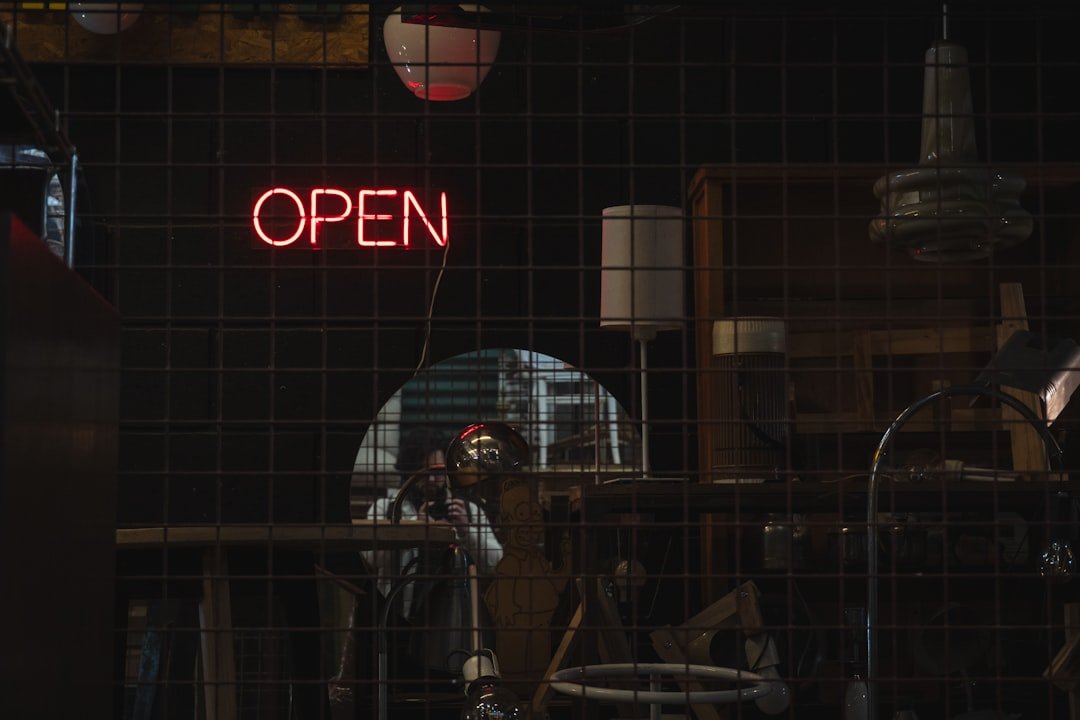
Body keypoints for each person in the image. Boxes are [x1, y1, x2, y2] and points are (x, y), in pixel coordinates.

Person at [364, 426, 503, 616]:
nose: (431, 479)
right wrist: (412, 530)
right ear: (408, 471)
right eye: (423, 473)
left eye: (437, 473)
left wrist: (465, 531)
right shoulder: (385, 508)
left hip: (453, 621)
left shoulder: (468, 511)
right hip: (398, 618)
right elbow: (370, 558)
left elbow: (497, 565)